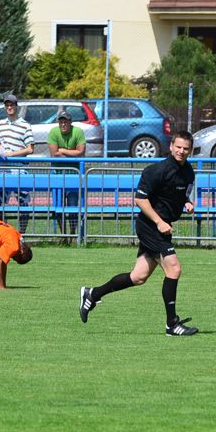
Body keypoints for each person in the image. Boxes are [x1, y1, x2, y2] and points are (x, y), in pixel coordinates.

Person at [79, 131, 199, 337]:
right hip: (150, 226)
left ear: (190, 151)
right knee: (174, 268)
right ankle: (172, 324)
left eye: (185, 148)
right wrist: (159, 222)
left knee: (138, 277)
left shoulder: (188, 172)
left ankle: (92, 293)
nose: (181, 151)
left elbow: (181, 194)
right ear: (171, 146)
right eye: (178, 147)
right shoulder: (156, 170)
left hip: (162, 226)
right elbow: (140, 200)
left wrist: (187, 203)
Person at [0, 94, 34, 233]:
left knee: (23, 203)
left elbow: (30, 149)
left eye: (11, 105)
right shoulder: (1, 123)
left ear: (16, 106)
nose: (9, 107)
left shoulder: (25, 125)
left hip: (20, 168)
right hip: (3, 169)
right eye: (7, 105)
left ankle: (21, 235)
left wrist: (12, 154)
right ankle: (2, 234)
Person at [47, 108, 86, 237]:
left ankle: (73, 234)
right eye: (61, 122)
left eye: (66, 122)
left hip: (74, 175)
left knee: (73, 206)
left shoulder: (78, 131)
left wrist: (63, 150)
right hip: (58, 175)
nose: (63, 124)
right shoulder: (53, 132)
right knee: (58, 206)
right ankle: (63, 235)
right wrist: (72, 154)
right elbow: (54, 154)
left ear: (70, 122)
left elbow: (81, 152)